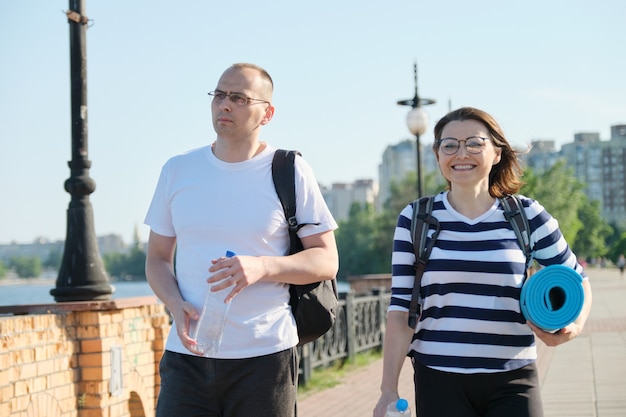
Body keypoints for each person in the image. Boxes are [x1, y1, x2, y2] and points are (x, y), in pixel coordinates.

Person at [144, 63, 339, 417]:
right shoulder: (177, 170)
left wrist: (263, 266)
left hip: (265, 357)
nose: (224, 105)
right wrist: (174, 302)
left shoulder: (290, 170)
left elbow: (326, 260)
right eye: (219, 95)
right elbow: (157, 258)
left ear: (267, 113)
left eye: (239, 97)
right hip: (187, 357)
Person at [373, 107, 592, 417]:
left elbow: (578, 279)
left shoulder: (527, 216)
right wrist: (388, 389)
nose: (462, 153)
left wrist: (574, 326)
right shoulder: (416, 219)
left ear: (497, 153)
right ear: (438, 155)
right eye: (450, 145)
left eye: (474, 143)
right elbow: (399, 309)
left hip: (513, 378)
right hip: (438, 379)